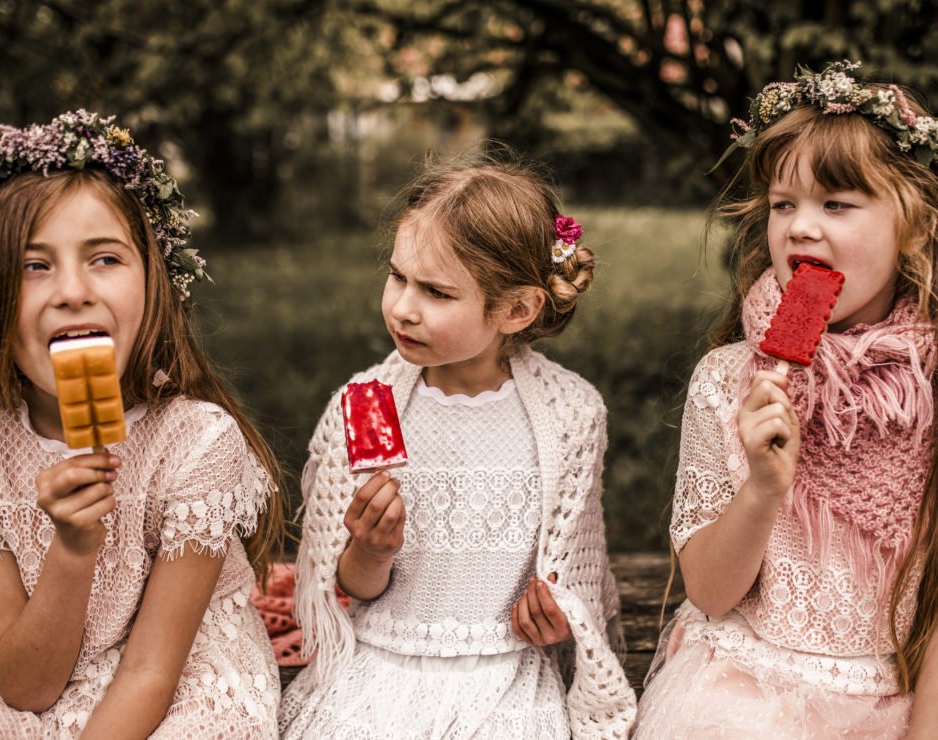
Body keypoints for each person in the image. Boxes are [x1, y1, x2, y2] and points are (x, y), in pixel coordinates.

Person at [0, 110, 284, 738]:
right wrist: (73, 546)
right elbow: (27, 685)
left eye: (104, 259)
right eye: (34, 266)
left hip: (180, 679)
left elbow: (150, 671)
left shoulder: (196, 441)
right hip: (42, 676)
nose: (73, 291)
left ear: (152, 283)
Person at [278, 152, 636, 739]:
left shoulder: (571, 415)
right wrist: (369, 548)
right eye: (397, 277)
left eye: (437, 293)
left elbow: (575, 581)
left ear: (516, 309)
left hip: (505, 678)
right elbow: (350, 586)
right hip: (380, 668)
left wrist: (557, 621)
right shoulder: (369, 402)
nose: (403, 308)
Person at [634, 61, 938, 738]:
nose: (800, 227)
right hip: (737, 696)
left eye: (836, 204)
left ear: (911, 228)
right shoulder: (726, 379)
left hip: (886, 705)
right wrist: (764, 488)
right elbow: (709, 593)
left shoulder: (929, 392)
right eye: (783, 203)